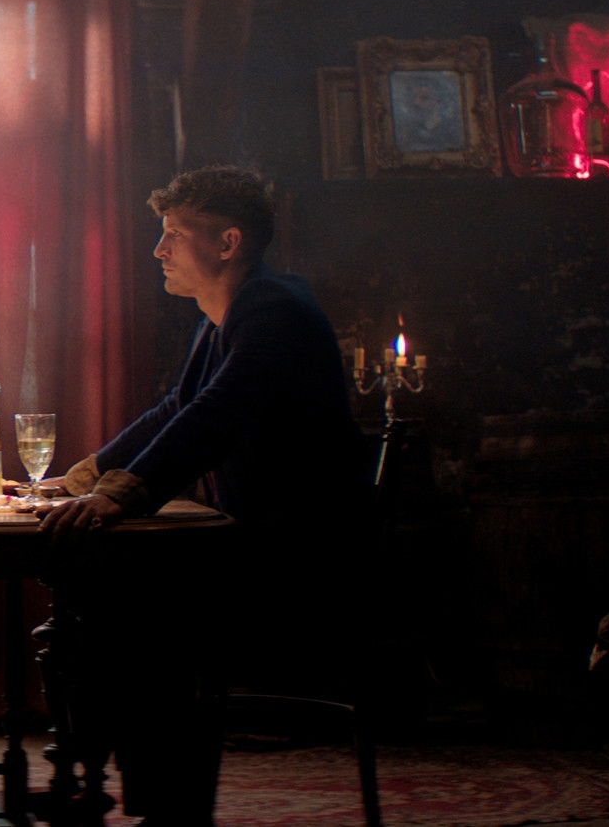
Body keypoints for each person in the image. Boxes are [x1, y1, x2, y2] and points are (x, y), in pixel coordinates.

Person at [36, 165, 366, 825]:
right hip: (255, 540)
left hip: (298, 557)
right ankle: (113, 788)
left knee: (119, 606)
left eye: (173, 234)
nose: (158, 249)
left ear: (228, 243)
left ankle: (160, 809)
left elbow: (218, 413)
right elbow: (176, 409)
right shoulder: (225, 318)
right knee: (95, 600)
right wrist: (81, 477)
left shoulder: (274, 312)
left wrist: (118, 497)